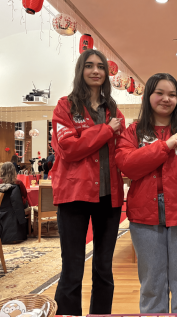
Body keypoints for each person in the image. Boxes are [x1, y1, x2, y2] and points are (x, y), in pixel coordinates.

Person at [115, 73, 177, 316]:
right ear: (148, 96)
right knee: (152, 285)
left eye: (172, 94)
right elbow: (127, 165)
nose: (166, 99)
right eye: (160, 93)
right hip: (144, 213)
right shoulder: (134, 131)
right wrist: (165, 146)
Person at [50, 49, 125, 316]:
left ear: (106, 73)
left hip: (110, 198)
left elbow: (121, 152)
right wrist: (106, 130)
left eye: (101, 67)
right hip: (74, 197)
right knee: (72, 268)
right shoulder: (65, 106)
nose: (96, 71)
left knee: (104, 268)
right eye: (89, 66)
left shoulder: (114, 110)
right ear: (80, 71)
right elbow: (68, 148)